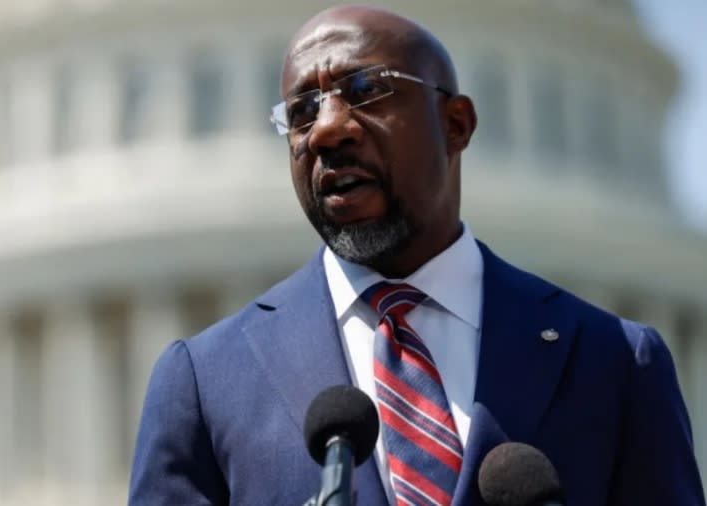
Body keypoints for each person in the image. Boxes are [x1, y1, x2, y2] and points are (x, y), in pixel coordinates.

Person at [129, 5, 704, 505]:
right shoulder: (207, 383)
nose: (327, 130)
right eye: (302, 111)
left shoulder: (613, 362)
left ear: (456, 124)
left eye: (364, 91)